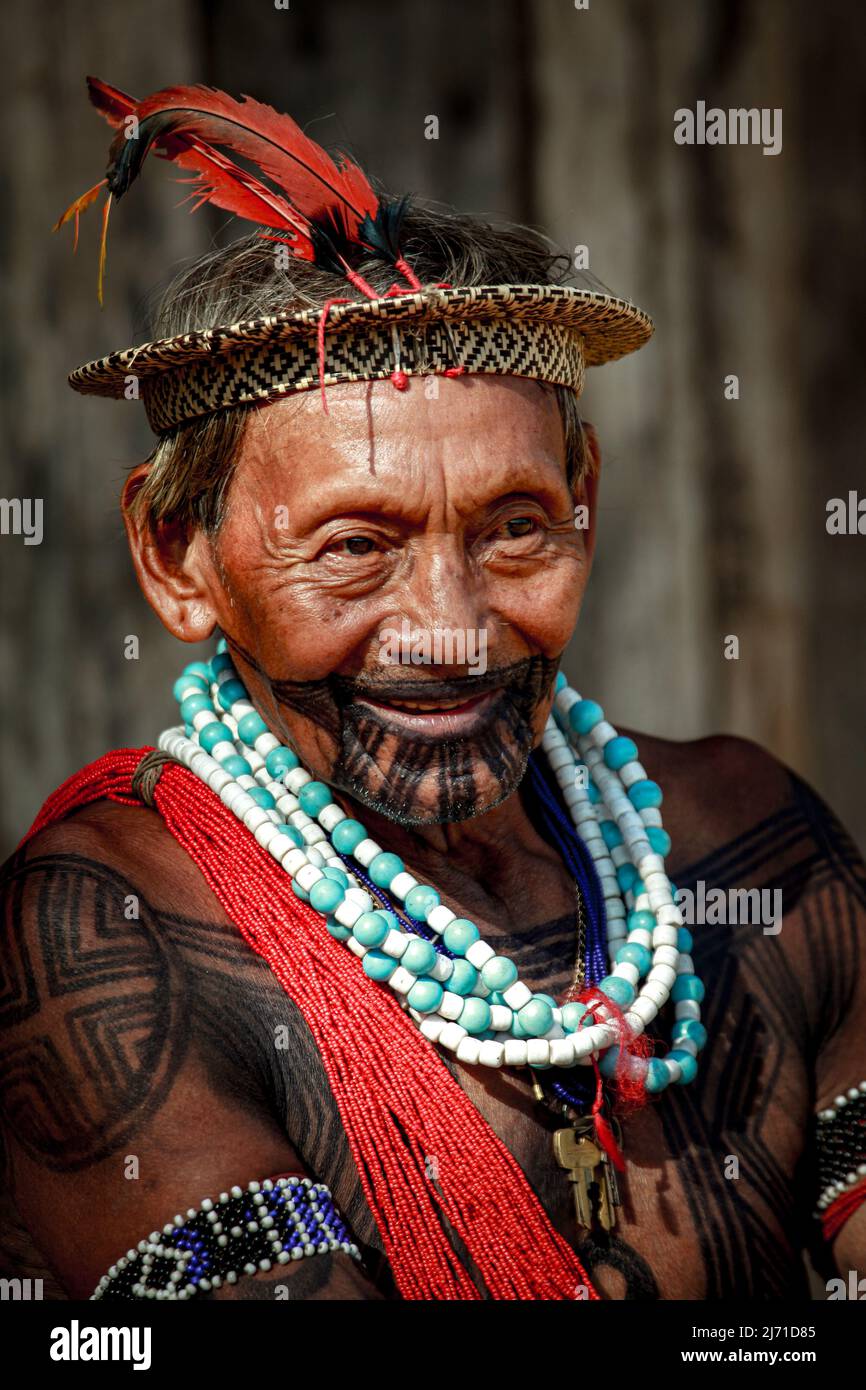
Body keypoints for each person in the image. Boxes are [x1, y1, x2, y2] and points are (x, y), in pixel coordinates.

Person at [0, 79, 864, 1303]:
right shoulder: (102, 935)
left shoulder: (750, 848)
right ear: (175, 556)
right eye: (354, 545)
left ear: (586, 506)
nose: (450, 630)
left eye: (515, 527)